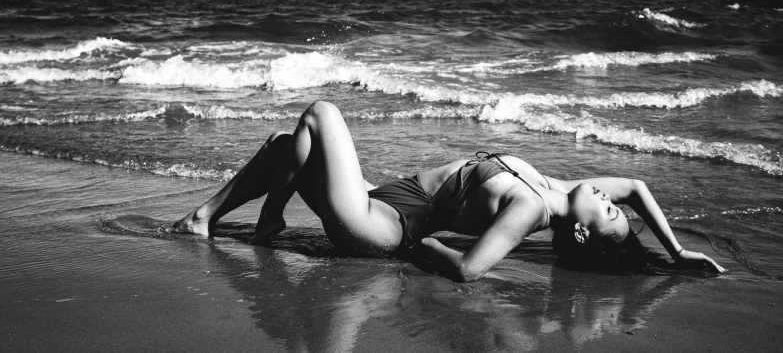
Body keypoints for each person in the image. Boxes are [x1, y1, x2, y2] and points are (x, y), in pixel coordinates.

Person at [168, 101, 725, 281]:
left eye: (607, 214)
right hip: (385, 196)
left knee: (321, 115)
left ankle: (269, 224)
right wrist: (674, 252)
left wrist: (414, 248)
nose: (609, 200)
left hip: (382, 225)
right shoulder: (557, 188)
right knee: (286, 142)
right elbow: (635, 185)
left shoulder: (531, 207)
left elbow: (468, 269)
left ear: (580, 230)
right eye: (612, 207)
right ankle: (204, 217)